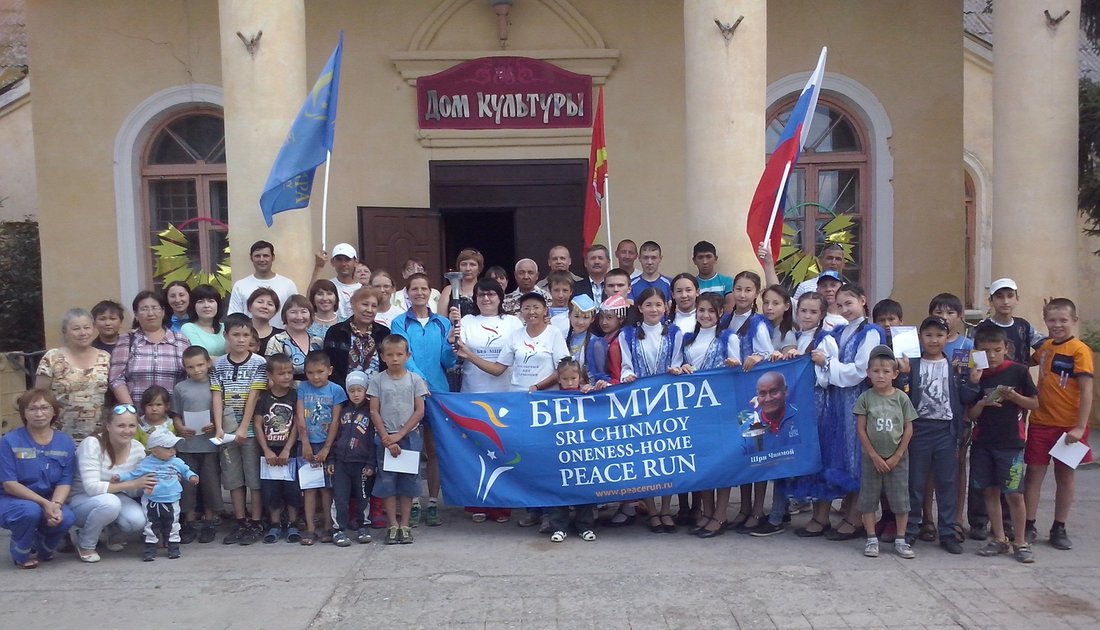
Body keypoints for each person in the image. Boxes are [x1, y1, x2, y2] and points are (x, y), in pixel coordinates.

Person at [899, 316, 981, 554]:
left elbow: (964, 397)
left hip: (946, 431)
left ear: (947, 338)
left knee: (946, 483)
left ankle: (947, 532)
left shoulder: (954, 365)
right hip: (919, 430)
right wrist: (903, 375)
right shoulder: (913, 364)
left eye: (939, 335)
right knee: (915, 483)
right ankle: (911, 529)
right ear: (920, 338)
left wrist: (973, 383)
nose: (933, 340)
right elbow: (903, 395)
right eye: (928, 335)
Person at [1023, 298, 1093, 551]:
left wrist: (1080, 427)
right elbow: (1027, 360)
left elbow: (1087, 391)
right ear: (1045, 321)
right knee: (1034, 474)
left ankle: (1059, 527)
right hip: (1041, 422)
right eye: (1052, 320)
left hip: (1069, 427)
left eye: (1063, 320)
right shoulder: (1045, 347)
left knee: (1065, 476)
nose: (1057, 325)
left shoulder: (1079, 350)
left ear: (1074, 321)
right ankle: (1028, 524)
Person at [967, 327, 1039, 563]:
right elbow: (970, 414)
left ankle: (1021, 541)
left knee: (1014, 495)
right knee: (989, 491)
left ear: (1006, 348)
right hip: (982, 443)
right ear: (978, 352)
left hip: (1011, 443)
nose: (992, 355)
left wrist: (1015, 397)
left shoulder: (1018, 371)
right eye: (986, 351)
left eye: (997, 350)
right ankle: (999, 538)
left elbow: (1035, 403)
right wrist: (983, 403)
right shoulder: (977, 375)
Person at [671, 292, 739, 537]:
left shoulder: (729, 337)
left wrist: (733, 364)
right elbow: (675, 365)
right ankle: (706, 513)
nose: (706, 315)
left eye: (711, 311)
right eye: (702, 310)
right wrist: (681, 368)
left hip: (720, 407)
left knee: (722, 462)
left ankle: (720, 515)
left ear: (720, 313)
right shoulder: (688, 338)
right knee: (704, 462)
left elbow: (738, 367)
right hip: (694, 409)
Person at [821, 284, 885, 542]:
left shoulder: (871, 332)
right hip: (839, 401)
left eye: (849, 303)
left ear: (863, 300)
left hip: (859, 401)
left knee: (858, 456)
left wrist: (828, 363)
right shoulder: (840, 331)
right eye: (840, 305)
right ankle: (849, 510)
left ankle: (857, 518)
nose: (845, 309)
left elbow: (860, 369)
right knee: (846, 455)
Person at [391, 274, 456, 527]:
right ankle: (414, 502)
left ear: (430, 293)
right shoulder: (399, 322)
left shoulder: (443, 323)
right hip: (409, 392)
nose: (419, 293)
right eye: (414, 289)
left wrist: (452, 345)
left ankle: (433, 502)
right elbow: (403, 355)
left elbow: (447, 361)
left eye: (424, 289)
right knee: (411, 449)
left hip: (438, 393)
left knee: (433, 449)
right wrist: (421, 381)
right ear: (407, 293)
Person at [621, 287, 684, 533]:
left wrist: (676, 370)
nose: (654, 309)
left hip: (667, 402)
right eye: (648, 305)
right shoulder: (628, 334)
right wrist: (627, 376)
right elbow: (626, 365)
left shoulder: (675, 332)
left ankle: (666, 509)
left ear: (666, 307)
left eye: (658, 304)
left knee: (668, 457)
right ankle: (652, 510)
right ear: (640, 308)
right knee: (646, 456)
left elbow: (677, 362)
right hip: (640, 402)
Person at [780, 292, 840, 538]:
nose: (807, 315)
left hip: (818, 406)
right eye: (803, 310)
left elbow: (830, 377)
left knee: (819, 459)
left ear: (822, 314)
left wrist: (821, 363)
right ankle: (811, 511)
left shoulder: (826, 340)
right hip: (799, 407)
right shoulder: (794, 337)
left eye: (813, 312)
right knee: (805, 459)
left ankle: (822, 516)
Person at [0, 390, 76, 568]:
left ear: (54, 411)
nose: (39, 413)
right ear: (24, 413)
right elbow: (9, 484)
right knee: (30, 511)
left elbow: (65, 481)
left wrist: (55, 505)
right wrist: (44, 504)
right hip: (11, 500)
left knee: (66, 517)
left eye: (44, 408)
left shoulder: (65, 442)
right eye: (32, 409)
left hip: (49, 499)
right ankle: (21, 554)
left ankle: (43, 546)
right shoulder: (9, 441)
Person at [69, 404, 155, 562]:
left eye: (131, 426)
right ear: (108, 426)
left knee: (136, 521)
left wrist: (151, 482)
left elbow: (134, 491)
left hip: (116, 495)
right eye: (121, 426)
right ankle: (86, 544)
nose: (127, 431)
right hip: (82, 499)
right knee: (110, 503)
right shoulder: (92, 444)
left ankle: (109, 535)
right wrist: (131, 484)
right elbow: (92, 488)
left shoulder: (138, 448)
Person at [855, 345, 918, 559]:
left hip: (898, 459)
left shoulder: (901, 398)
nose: (880, 375)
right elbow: (861, 429)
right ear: (868, 373)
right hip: (871, 459)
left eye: (886, 371)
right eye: (876, 371)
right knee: (868, 498)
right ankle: (871, 538)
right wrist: (873, 455)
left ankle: (901, 539)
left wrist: (897, 455)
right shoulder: (865, 398)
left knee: (900, 499)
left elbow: (909, 428)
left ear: (895, 374)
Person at [212, 315, 268, 545]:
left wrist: (244, 428)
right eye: (236, 335)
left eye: (246, 335)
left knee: (253, 478)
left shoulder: (259, 363)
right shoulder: (219, 364)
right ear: (226, 336)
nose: (241, 339)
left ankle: (256, 521)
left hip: (250, 432)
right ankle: (240, 520)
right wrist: (218, 427)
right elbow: (217, 395)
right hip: (226, 431)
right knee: (233, 477)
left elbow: (254, 396)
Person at [369, 335, 429, 545]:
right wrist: (386, 437)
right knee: (388, 482)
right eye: (390, 354)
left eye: (399, 354)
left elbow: (419, 411)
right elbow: (374, 411)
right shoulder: (377, 380)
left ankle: (405, 524)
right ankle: (392, 524)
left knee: (408, 482)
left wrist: (400, 434)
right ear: (383, 357)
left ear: (407, 356)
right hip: (385, 438)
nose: (395, 358)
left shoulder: (415, 380)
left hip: (409, 438)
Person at [114, 431, 198, 561]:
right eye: (168, 448)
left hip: (171, 499)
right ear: (154, 451)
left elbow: (186, 470)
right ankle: (150, 548)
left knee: (172, 523)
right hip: (151, 500)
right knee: (151, 524)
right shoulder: (146, 463)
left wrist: (192, 476)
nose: (173, 451)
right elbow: (134, 474)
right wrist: (120, 477)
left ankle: (173, 546)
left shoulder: (177, 462)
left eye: (173, 447)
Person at [35, 308, 111, 443]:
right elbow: (39, 396)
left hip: (97, 437)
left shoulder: (105, 357)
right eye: (76, 329)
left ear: (93, 328)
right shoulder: (52, 357)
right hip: (59, 435)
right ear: (65, 331)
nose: (83, 333)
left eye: (87, 327)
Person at [297, 351, 347, 545]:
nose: (315, 377)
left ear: (330, 370)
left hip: (329, 445)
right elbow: (300, 417)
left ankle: (328, 526)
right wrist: (305, 443)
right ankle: (310, 529)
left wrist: (327, 448)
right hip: (307, 445)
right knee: (309, 488)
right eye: (310, 372)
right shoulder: (302, 387)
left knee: (327, 489)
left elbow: (335, 421)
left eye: (320, 372)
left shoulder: (336, 391)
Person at [172, 346, 220, 544]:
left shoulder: (216, 385)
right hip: (187, 446)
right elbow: (175, 414)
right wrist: (180, 428)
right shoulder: (180, 388)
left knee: (210, 484)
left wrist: (214, 424)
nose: (196, 370)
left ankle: (209, 522)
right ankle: (189, 522)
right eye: (191, 367)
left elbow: (220, 412)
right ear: (185, 368)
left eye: (200, 365)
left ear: (208, 363)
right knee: (188, 486)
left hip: (209, 445)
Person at [109, 290, 190, 408]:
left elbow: (189, 377)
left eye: (155, 308)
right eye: (144, 309)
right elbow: (116, 379)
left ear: (163, 312)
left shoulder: (181, 341)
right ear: (136, 315)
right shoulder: (126, 340)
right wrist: (131, 409)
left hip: (173, 413)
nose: (150, 313)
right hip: (136, 413)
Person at [547, 357, 598, 544]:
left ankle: (585, 526)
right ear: (559, 379)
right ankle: (559, 526)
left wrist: (593, 389)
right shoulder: (550, 400)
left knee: (585, 487)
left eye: (573, 379)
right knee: (558, 487)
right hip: (560, 452)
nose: (569, 383)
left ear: (580, 378)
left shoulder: (587, 394)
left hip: (583, 451)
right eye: (565, 379)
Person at [253, 353, 301, 544]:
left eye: (289, 372)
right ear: (270, 375)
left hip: (290, 451)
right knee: (271, 489)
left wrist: (288, 449)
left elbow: (297, 424)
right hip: (269, 451)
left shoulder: (295, 396)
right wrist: (266, 450)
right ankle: (274, 524)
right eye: (281, 373)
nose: (287, 377)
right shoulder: (264, 398)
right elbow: (258, 425)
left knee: (292, 488)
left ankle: (293, 523)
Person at [452, 278, 523, 395]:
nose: (485, 298)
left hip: (507, 391)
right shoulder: (467, 321)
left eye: (490, 294)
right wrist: (452, 334)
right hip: (473, 390)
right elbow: (458, 351)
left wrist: (469, 355)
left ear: (500, 297)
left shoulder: (513, 322)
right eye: (481, 295)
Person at [329, 370, 376, 547]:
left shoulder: (371, 413)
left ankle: (363, 526)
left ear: (366, 391)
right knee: (340, 498)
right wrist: (331, 459)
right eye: (352, 390)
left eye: (359, 390)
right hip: (341, 463)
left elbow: (372, 440)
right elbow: (335, 437)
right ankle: (338, 529)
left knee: (363, 497)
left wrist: (371, 463)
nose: (356, 394)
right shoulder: (342, 412)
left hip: (362, 464)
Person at [323, 286, 392, 389]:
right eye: (365, 304)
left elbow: (390, 365)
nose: (369, 310)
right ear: (353, 304)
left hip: (378, 393)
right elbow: (328, 365)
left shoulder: (384, 333)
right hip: (343, 393)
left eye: (374, 306)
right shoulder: (335, 332)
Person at [973, 278, 1046, 366]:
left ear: (1017, 299)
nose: (1005, 302)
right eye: (999, 297)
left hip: (1020, 375)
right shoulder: (980, 329)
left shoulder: (1023, 326)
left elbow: (1047, 347)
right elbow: (970, 362)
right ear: (990, 301)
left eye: (1010, 296)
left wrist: (1030, 362)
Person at [228, 240, 299, 328]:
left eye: (266, 256)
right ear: (251, 258)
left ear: (273, 257)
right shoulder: (240, 285)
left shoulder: (288, 285)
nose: (261, 259)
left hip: (281, 335)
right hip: (249, 335)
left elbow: (296, 312)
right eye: (257, 256)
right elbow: (234, 317)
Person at [266, 294, 323, 380]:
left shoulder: (317, 341)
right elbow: (270, 373)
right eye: (293, 312)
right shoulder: (277, 341)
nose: (299, 317)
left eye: (304, 312)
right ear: (285, 315)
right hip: (288, 387)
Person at [310, 242, 362, 320]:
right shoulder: (328, 286)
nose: (343, 264)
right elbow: (309, 300)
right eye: (339, 259)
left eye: (347, 259)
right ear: (332, 262)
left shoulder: (363, 289)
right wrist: (318, 267)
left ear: (356, 262)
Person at [180, 284, 226, 358]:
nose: (206, 305)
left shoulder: (226, 327)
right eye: (200, 301)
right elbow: (201, 358)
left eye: (211, 301)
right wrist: (227, 360)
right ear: (193, 306)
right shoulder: (188, 328)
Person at [437, 248, 483, 318]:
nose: (468, 268)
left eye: (472, 264)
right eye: (464, 264)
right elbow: (441, 319)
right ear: (459, 267)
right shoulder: (449, 290)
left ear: (479, 268)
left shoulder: (485, 289)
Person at [929, 293, 973, 358]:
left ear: (959, 316)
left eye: (950, 313)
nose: (944, 317)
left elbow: (977, 364)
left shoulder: (967, 345)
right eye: (939, 313)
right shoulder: (924, 343)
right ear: (930, 316)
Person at [247, 287, 283, 354]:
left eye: (270, 304)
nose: (264, 306)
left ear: (275, 311)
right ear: (250, 306)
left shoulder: (281, 336)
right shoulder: (237, 330)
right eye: (260, 302)